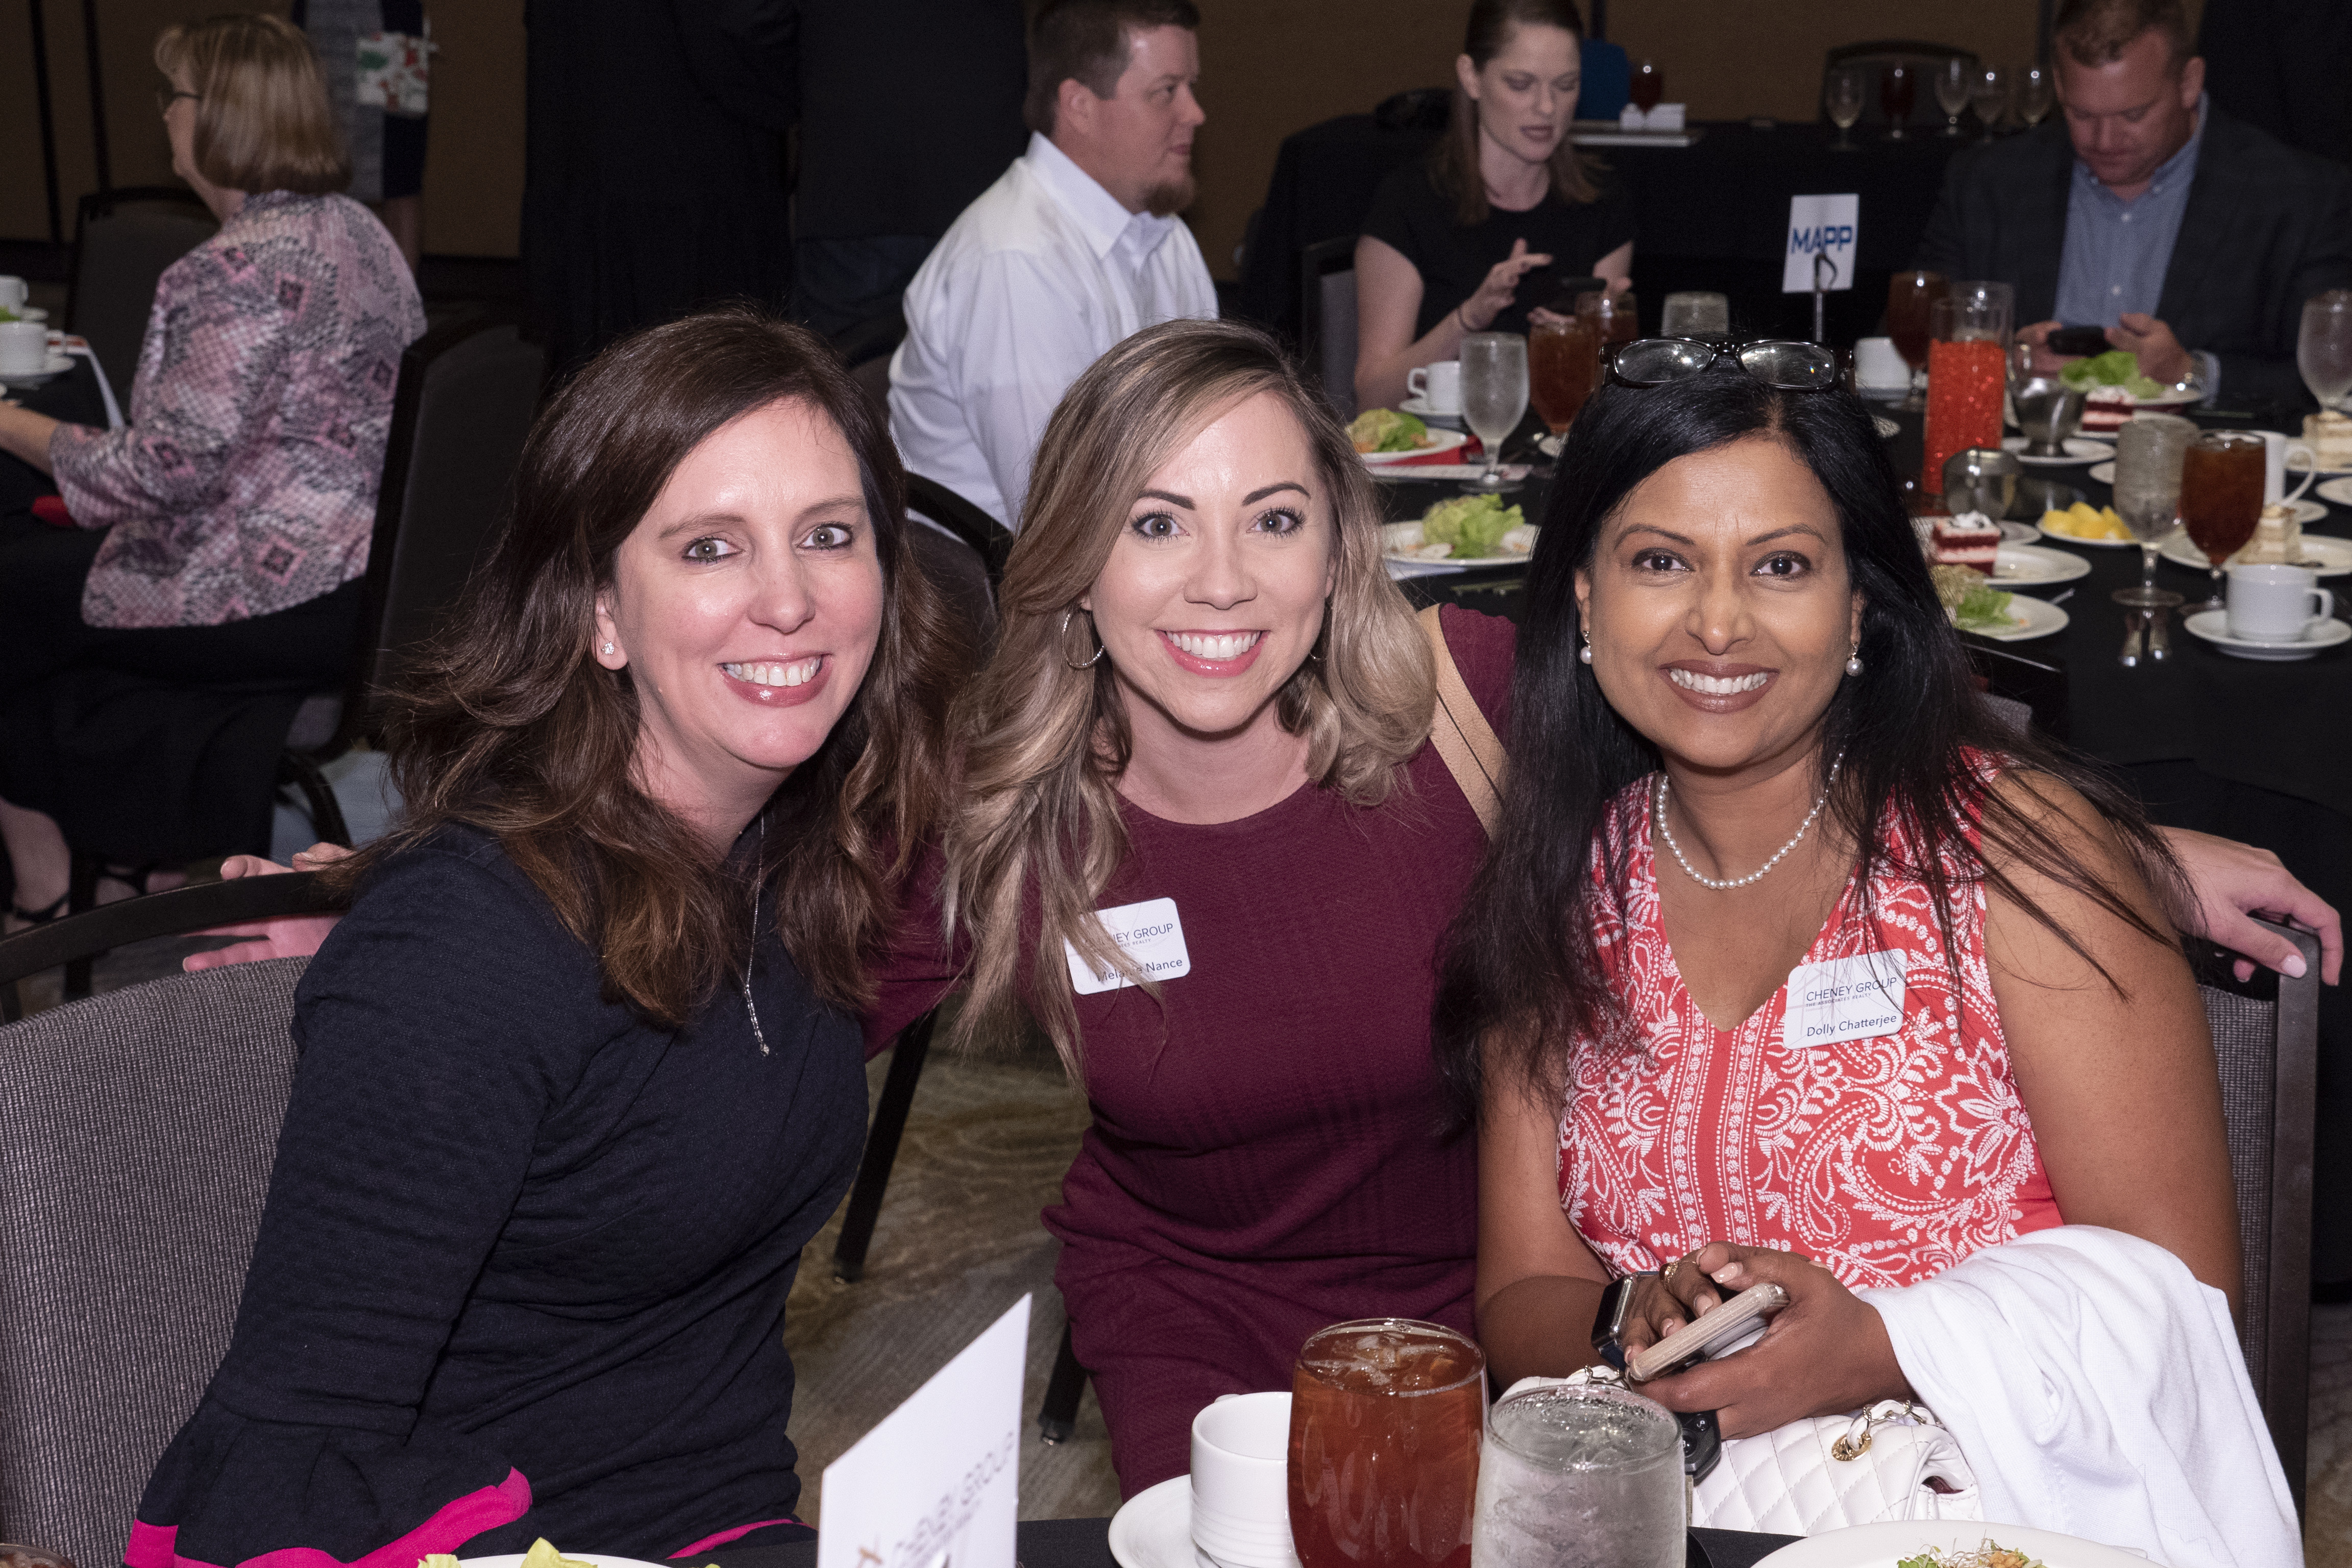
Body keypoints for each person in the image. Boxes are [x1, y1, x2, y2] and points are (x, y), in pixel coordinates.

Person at [199, 323, 2343, 1508]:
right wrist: (418, 908)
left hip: (1535, 1335)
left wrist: (2102, 845)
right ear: (1074, 559)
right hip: (1204, 1349)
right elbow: (758, 907)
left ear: (1342, 552)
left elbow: (1759, 708)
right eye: (1154, 522)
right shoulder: (998, 817)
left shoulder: (1484, 719)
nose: (1213, 584)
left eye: (1267, 521)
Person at [1443, 345, 2298, 1563]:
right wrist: (1626, 1307)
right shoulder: (1563, 885)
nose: (1718, 620)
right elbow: (1519, 1294)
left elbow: (2186, 1290)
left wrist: (1881, 1343)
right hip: (1669, 1518)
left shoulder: (2015, 856)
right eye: (1659, 561)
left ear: (1858, 606)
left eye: (1780, 564)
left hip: (1998, 1510)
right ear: (1583, 600)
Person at [131, 309, 963, 1559]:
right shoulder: (468, 952)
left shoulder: (807, 862)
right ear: (601, 615)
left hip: (719, 1521)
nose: (788, 598)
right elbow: (279, 1472)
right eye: (710, 546)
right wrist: (408, 947)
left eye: (828, 536)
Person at [0, 12, 424, 930]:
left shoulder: (230, 268)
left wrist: (8, 421)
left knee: (14, 592)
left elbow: (153, 476)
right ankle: (119, 870)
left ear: (220, 115)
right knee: (35, 588)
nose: (165, 117)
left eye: (175, 97)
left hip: (279, 594)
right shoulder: (358, 233)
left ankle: (47, 890)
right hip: (375, 582)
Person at [1913, 0, 2352, 410]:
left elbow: (2330, 381)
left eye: (2133, 115)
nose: (2104, 142)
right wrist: (1997, 361)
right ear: (2059, 86)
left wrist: (2191, 373)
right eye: (2082, 115)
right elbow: (1911, 344)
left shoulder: (2297, 196)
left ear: (2189, 82)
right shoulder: (1988, 183)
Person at [886, 0, 1216, 529]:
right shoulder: (1014, 261)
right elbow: (1056, 516)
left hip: (1133, 537)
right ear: (1080, 106)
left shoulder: (1164, 232)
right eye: (1167, 92)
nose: (1195, 114)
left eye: (1192, 87)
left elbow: (1209, 428)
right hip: (995, 591)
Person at [1353, 0, 1636, 413]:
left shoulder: (1602, 200)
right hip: (1442, 460)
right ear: (1472, 77)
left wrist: (1590, 340)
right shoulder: (1409, 201)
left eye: (1566, 84)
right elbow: (1373, 398)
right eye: (1521, 84)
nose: (1546, 107)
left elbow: (1611, 402)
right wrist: (1470, 319)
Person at [521, 0, 795, 372]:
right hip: (687, 184)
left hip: (586, 179)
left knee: (600, 383)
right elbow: (733, 36)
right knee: (699, 386)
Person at [792, 0, 1028, 338]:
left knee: (835, 370)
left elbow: (754, 24)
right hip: (971, 164)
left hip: (854, 168)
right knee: (982, 356)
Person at [293, 0, 431, 275]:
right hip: (319, 19)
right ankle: (328, 295)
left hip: (389, 23)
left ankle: (403, 308)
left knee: (399, 173)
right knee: (317, 164)